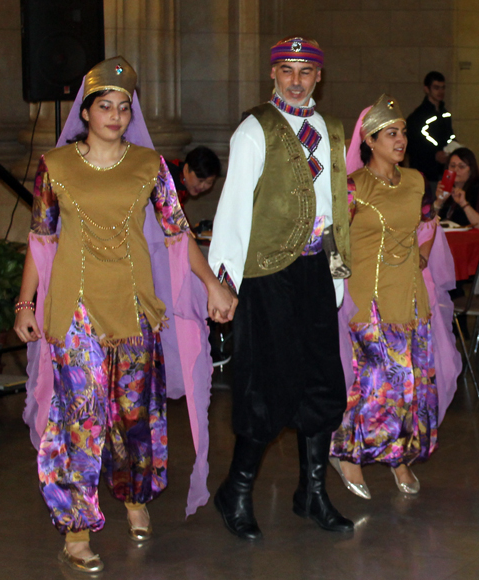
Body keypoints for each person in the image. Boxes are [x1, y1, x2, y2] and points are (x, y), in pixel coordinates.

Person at [14, 56, 236, 573]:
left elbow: (180, 236)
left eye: (122, 106)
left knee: (136, 415)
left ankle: (134, 496)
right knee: (80, 418)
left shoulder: (151, 166)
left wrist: (212, 286)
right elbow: (42, 239)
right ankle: (75, 526)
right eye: (104, 106)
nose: (114, 115)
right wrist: (27, 303)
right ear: (86, 113)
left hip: (136, 307)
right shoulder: (55, 166)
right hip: (75, 309)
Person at [208, 36, 353, 540]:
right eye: (287, 71)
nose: (296, 80)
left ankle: (311, 493)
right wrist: (223, 282)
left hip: (315, 271)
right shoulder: (255, 129)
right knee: (266, 384)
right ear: (273, 75)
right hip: (267, 275)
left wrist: (338, 270)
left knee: (321, 383)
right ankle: (237, 491)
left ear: (319, 77)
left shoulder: (330, 129)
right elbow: (233, 207)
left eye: (306, 72)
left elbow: (334, 203)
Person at [330, 95, 460, 499]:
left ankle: (398, 457)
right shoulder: (352, 189)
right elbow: (332, 242)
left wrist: (423, 250)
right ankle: (347, 454)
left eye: (403, 131)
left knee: (413, 383)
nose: (401, 139)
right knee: (375, 382)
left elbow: (427, 222)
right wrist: (337, 283)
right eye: (392, 133)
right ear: (369, 140)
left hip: (411, 296)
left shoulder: (416, 181)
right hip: (368, 299)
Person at [406, 71, 456, 191]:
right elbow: (411, 145)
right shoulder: (417, 116)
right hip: (427, 173)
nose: (440, 91)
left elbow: (450, 137)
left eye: (443, 88)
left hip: (445, 172)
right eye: (436, 88)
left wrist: (454, 149)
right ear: (426, 89)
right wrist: (434, 155)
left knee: (445, 204)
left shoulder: (445, 113)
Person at [434, 147, 479, 227]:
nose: (456, 170)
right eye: (452, 166)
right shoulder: (446, 189)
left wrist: (463, 203)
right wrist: (439, 201)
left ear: (471, 170)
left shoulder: (476, 190)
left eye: (461, 167)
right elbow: (431, 224)